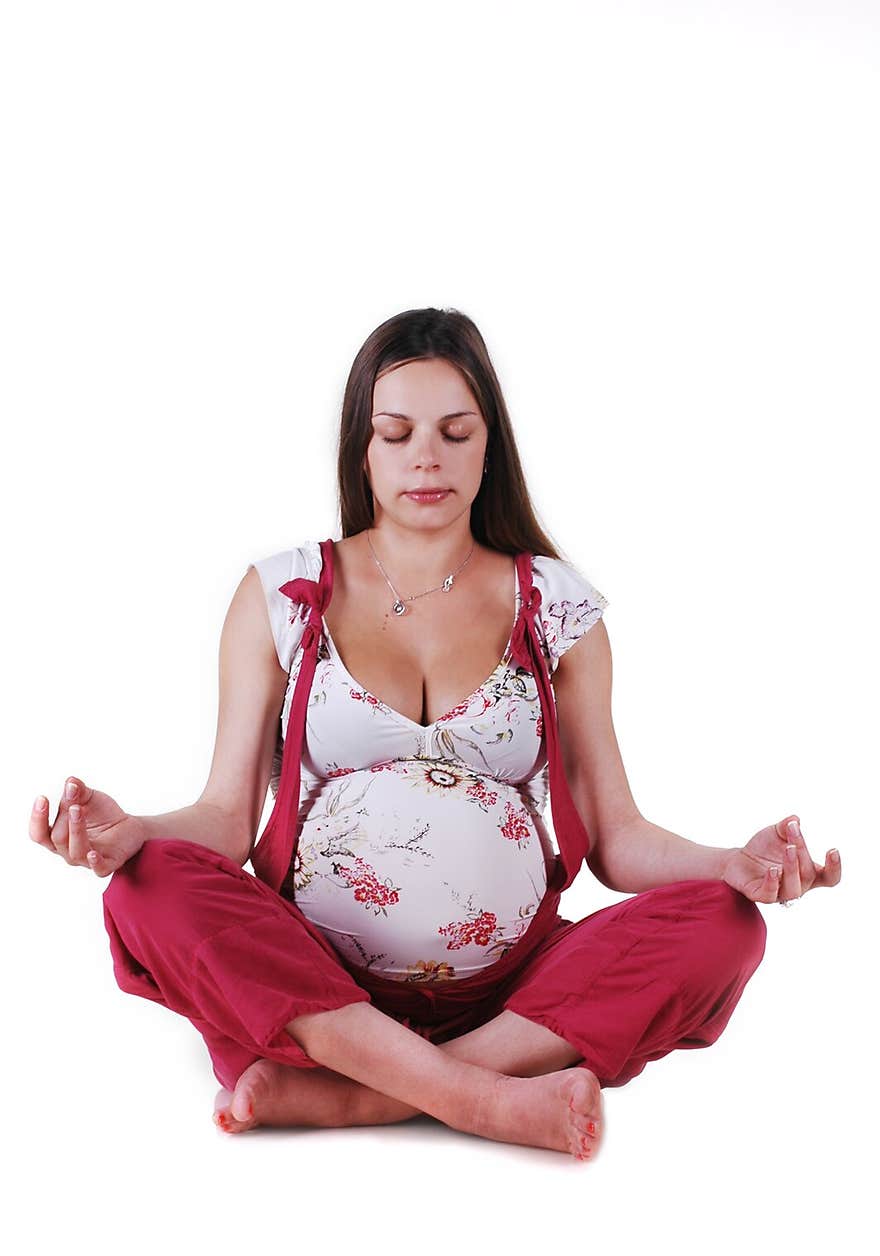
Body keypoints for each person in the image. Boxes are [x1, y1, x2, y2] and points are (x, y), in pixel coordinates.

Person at [29, 307, 842, 1163]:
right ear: (362, 447)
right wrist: (131, 835)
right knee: (142, 888)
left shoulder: (555, 605)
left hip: (513, 995)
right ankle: (478, 1098)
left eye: (455, 432)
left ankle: (356, 1097)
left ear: (491, 445)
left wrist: (732, 865)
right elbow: (227, 819)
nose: (427, 456)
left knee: (729, 925)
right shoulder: (281, 592)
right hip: (316, 982)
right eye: (397, 432)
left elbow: (616, 837)